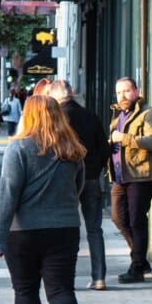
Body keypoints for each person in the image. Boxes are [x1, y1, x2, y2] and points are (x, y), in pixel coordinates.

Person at [0, 95, 86, 304]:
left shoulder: (18, 148)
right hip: (65, 228)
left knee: (25, 290)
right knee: (61, 289)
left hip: (23, 232)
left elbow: (7, 196)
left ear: (27, 116)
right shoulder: (73, 150)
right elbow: (77, 188)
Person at [47, 79, 111, 290]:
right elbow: (104, 150)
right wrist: (94, 169)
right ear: (72, 93)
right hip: (91, 178)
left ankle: (65, 278)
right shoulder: (90, 116)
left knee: (65, 229)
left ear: (55, 96)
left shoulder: (56, 119)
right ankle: (99, 276)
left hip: (66, 181)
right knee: (94, 229)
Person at [107, 77, 152, 284]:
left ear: (136, 91)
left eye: (126, 91)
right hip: (120, 175)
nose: (122, 96)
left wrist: (125, 139)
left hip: (141, 174)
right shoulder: (118, 116)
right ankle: (140, 259)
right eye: (119, 92)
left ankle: (137, 267)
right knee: (118, 217)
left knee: (136, 219)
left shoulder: (149, 113)